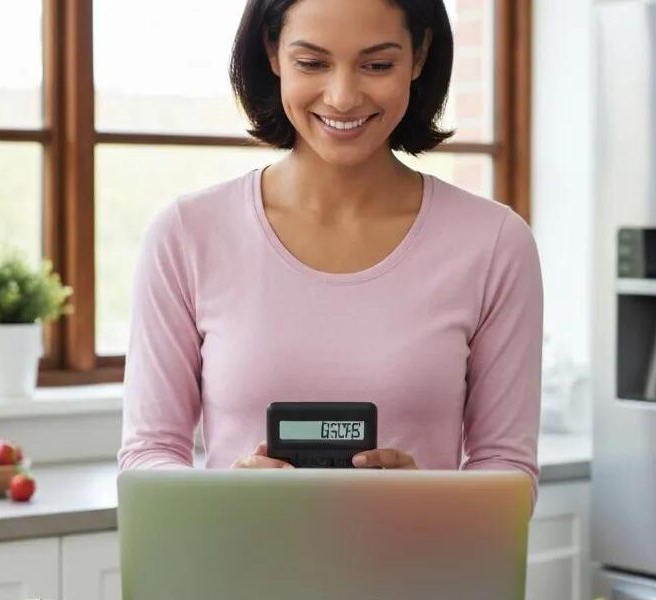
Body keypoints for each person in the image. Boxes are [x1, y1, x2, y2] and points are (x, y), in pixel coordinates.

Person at [117, 0, 543, 504]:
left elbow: (508, 471)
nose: (342, 97)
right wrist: (228, 498)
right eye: (312, 63)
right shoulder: (186, 235)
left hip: (423, 558)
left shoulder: (494, 243)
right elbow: (147, 457)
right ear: (272, 52)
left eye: (377, 65)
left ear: (419, 55)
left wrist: (426, 504)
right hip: (234, 557)